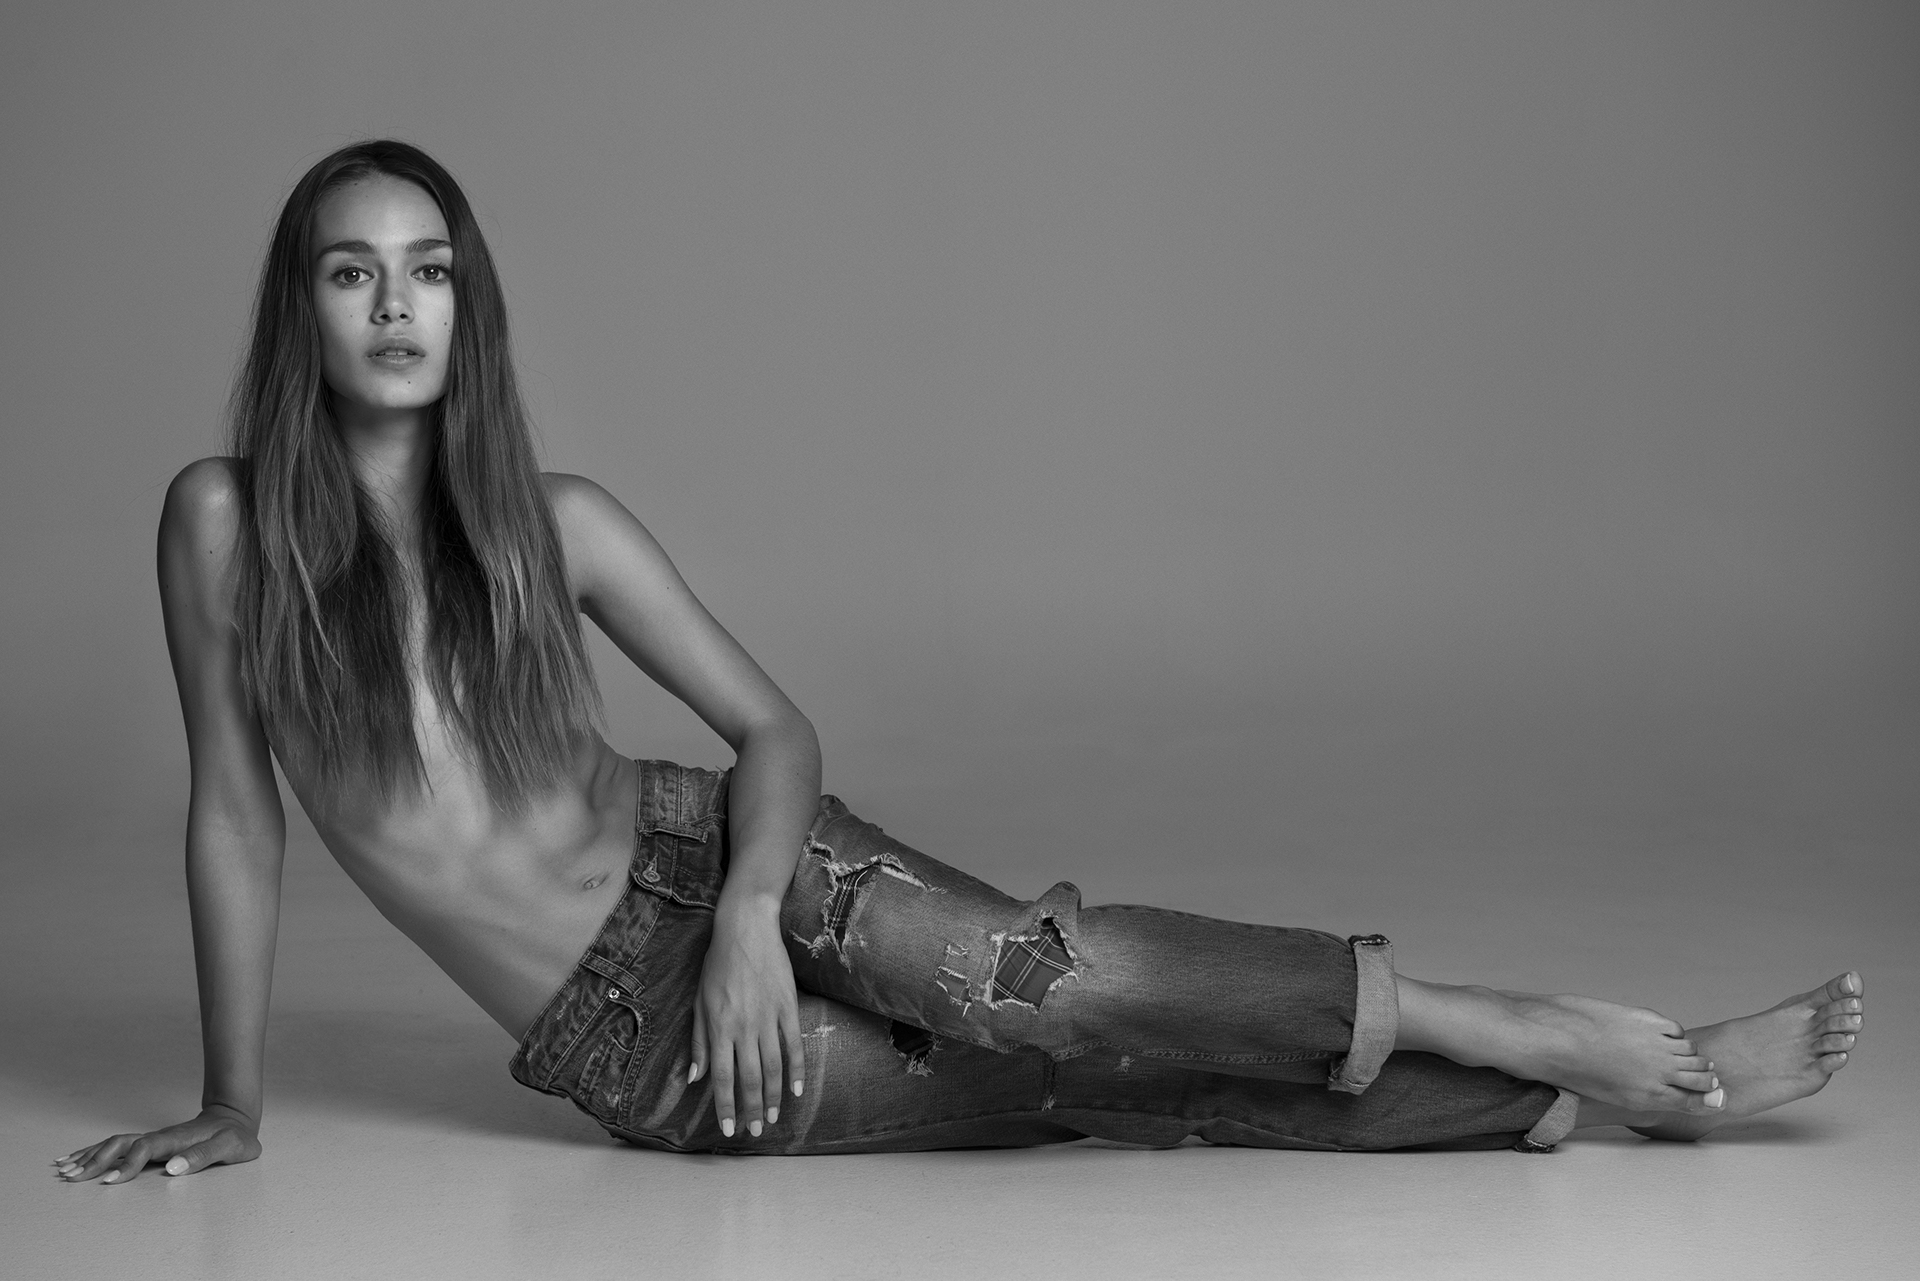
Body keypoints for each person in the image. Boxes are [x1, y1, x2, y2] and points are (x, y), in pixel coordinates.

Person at [54, 140, 1864, 1184]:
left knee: (1057, 986)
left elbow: (770, 726)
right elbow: (236, 819)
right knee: (1096, 1078)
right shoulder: (221, 526)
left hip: (726, 856)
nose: (394, 306)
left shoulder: (555, 522)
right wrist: (232, 1099)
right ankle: (1556, 1100)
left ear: (470, 306)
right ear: (301, 306)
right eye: (351, 272)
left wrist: (746, 911)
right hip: (631, 1044)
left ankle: (1502, 1017)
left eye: (429, 270)